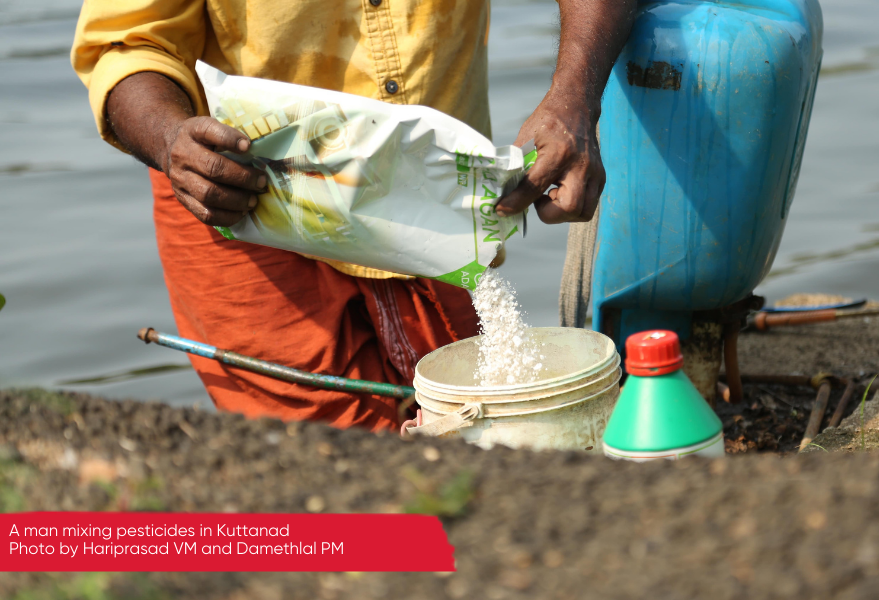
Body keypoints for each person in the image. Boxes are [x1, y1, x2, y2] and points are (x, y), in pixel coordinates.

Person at [71, 0, 636, 431]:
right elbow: (126, 42)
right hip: (238, 204)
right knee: (319, 470)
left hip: (432, 204)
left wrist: (575, 98)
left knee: (471, 421)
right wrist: (171, 139)